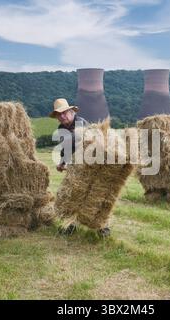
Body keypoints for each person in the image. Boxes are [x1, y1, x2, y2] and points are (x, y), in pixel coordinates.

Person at [49, 98, 111, 238]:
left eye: (64, 113)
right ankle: (71, 226)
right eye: (59, 115)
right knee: (73, 196)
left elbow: (74, 140)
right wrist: (62, 163)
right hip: (77, 166)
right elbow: (65, 148)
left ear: (71, 111)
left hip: (92, 165)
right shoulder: (61, 128)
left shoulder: (80, 123)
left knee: (95, 196)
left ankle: (103, 227)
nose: (62, 116)